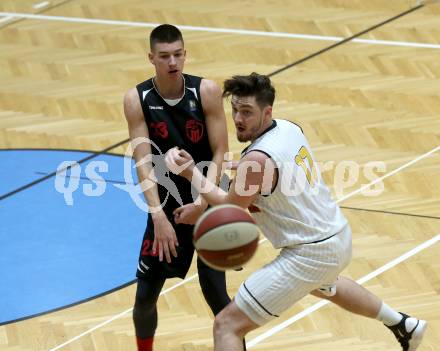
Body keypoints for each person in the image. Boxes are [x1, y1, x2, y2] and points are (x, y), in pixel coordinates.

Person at [165, 72, 428, 351]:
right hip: (336, 236)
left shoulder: (257, 159)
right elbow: (269, 183)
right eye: (235, 110)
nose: (239, 119)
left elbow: (232, 206)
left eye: (247, 112)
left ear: (267, 112)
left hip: (310, 253)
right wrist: (238, 175)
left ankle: (400, 323)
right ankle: (403, 324)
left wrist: (190, 172)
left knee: (227, 325)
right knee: (326, 286)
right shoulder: (289, 128)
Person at [123, 24, 243, 351]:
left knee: (217, 297)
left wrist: (203, 205)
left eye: (178, 54)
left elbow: (221, 151)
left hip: (208, 201)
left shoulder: (206, 91)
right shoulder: (137, 99)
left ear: (185, 54)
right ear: (152, 58)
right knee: (145, 297)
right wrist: (158, 218)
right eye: (164, 56)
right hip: (167, 207)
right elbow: (142, 162)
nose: (172, 62)